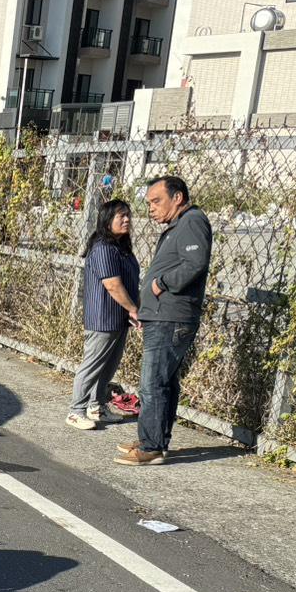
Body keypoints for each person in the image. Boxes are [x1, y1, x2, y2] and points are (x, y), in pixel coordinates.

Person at [115, 175, 214, 466]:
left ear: (178, 198)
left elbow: (195, 263)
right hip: (162, 316)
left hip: (172, 317)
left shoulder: (192, 221)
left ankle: (151, 447)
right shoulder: (177, 226)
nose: (152, 208)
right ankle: (155, 439)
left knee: (153, 383)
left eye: (157, 201)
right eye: (148, 203)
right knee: (163, 383)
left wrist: (161, 283)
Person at [67, 199, 140, 431]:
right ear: (108, 221)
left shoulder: (120, 247)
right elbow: (112, 285)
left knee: (109, 366)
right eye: (121, 216)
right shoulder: (103, 248)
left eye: (128, 215)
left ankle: (96, 406)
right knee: (92, 365)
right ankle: (76, 410)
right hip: (103, 318)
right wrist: (133, 309)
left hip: (118, 319)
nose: (127, 219)